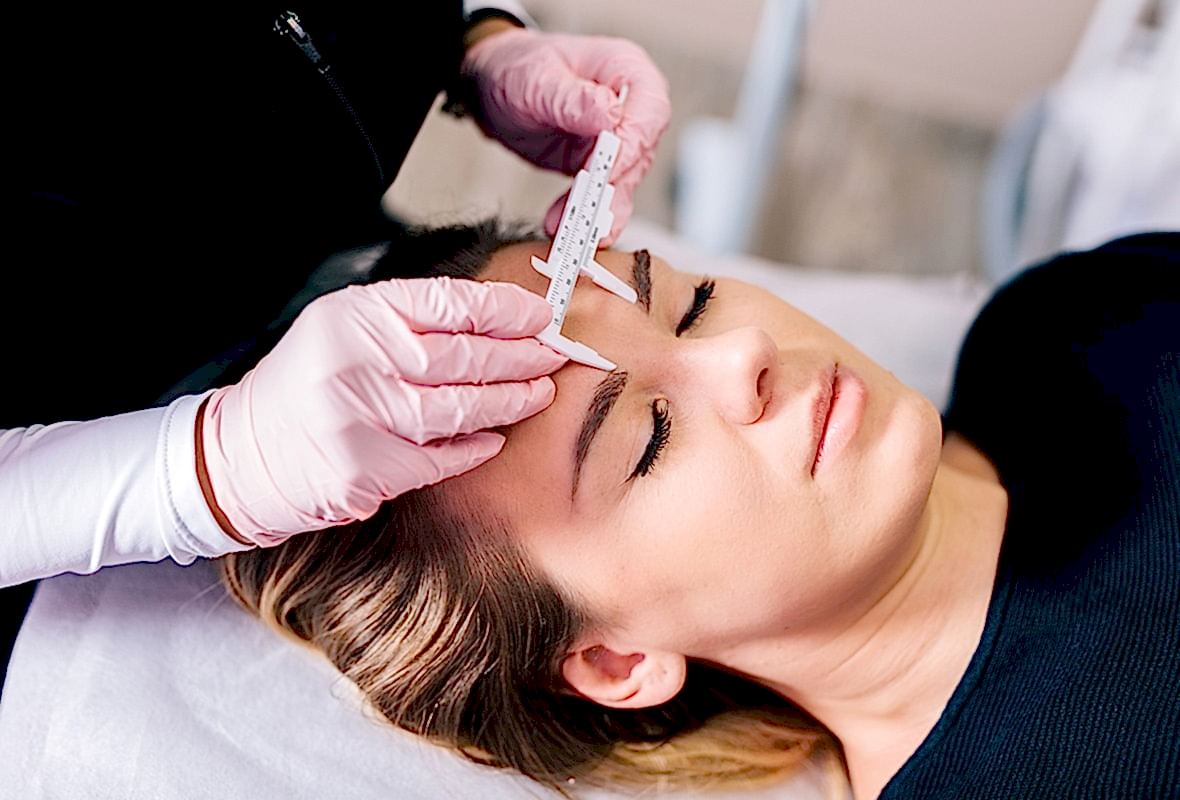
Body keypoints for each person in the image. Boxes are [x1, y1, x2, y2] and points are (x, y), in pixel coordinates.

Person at [222, 222, 1179, 798]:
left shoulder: (1062, 325)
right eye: (649, 438)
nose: (743, 354)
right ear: (617, 661)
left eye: (692, 304)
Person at [4, 2, 671, 677]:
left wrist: (476, 31)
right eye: (652, 440)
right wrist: (207, 469)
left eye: (695, 303)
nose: (729, 354)